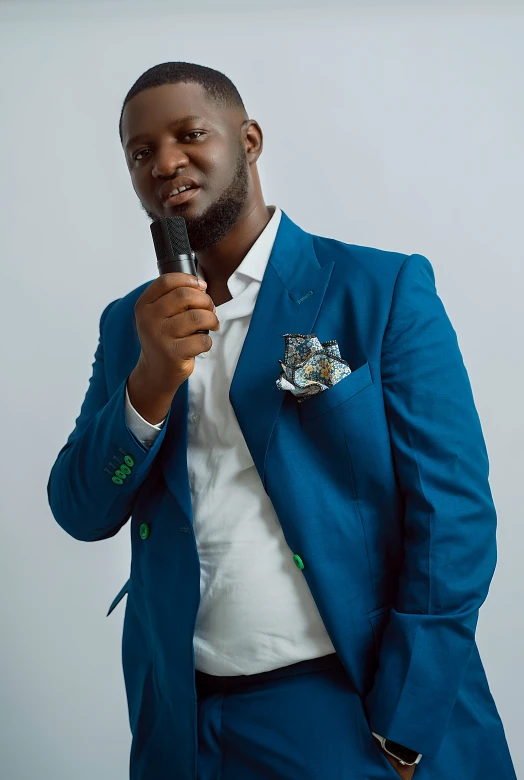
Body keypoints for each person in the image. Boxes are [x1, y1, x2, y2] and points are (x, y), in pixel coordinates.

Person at [47, 62, 516, 780]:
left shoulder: (378, 289)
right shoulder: (128, 327)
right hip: (186, 726)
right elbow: (80, 508)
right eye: (141, 153)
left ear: (250, 140)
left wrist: (407, 719)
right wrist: (148, 384)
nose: (165, 161)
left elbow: (453, 515)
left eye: (189, 134)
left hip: (350, 711)